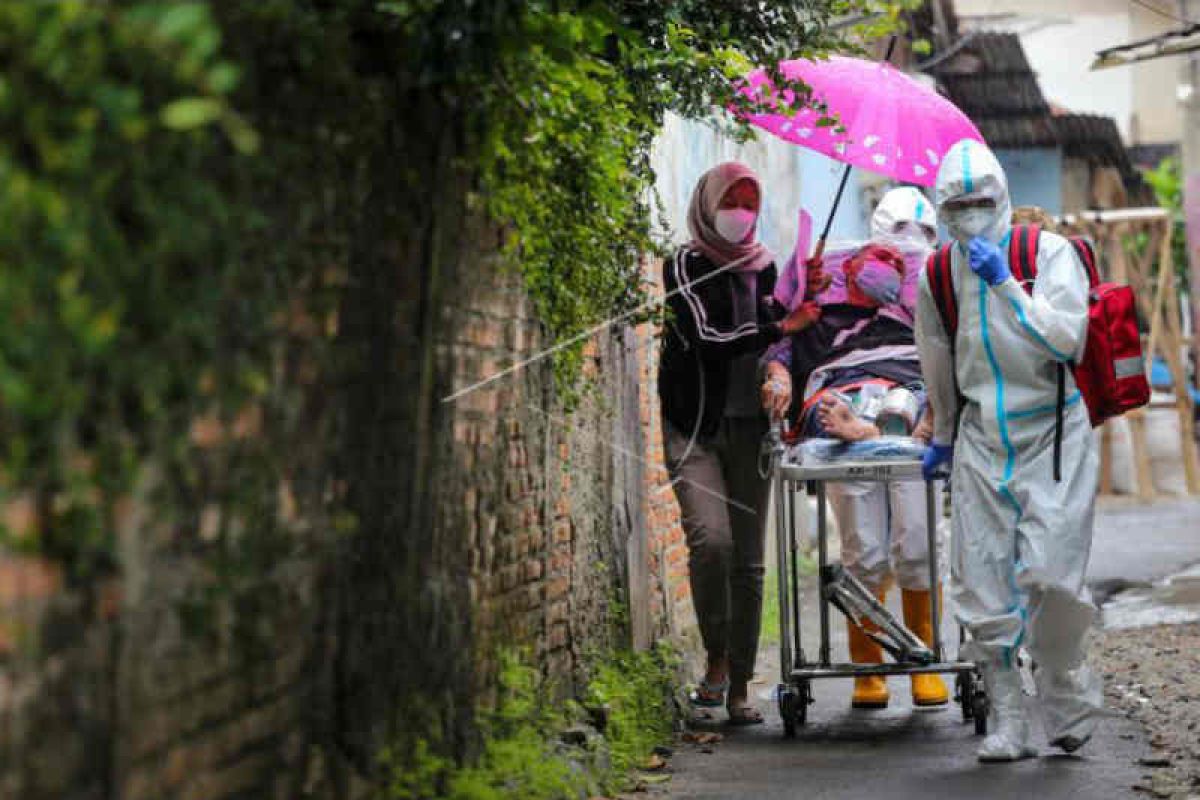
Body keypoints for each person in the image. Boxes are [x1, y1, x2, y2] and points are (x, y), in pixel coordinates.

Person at [915, 139, 1102, 762]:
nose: (969, 215)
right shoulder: (937, 271)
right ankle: (1008, 717)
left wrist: (1007, 287)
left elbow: (1066, 339)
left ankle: (1063, 693)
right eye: (957, 205)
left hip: (1053, 434)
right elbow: (937, 358)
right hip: (979, 442)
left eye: (980, 202)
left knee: (1051, 576)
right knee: (984, 587)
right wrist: (942, 435)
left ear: (1003, 199)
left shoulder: (1048, 253)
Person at [762, 214, 948, 711]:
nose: (880, 266)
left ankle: (923, 660)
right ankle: (870, 669)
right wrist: (779, 375)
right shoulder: (816, 307)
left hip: (908, 403)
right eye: (870, 259)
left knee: (917, 546)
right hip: (838, 400)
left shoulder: (919, 313)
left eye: (893, 260)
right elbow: (778, 348)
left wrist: (936, 406)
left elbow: (946, 358)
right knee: (863, 552)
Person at [659, 162, 823, 725]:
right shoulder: (685, 263)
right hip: (696, 427)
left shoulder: (766, 266)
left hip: (751, 428)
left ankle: (739, 687)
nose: (741, 213)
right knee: (712, 541)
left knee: (750, 562)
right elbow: (709, 338)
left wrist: (803, 297)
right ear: (708, 203)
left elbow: (779, 335)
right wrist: (783, 328)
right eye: (732, 200)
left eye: (750, 203)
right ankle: (715, 661)